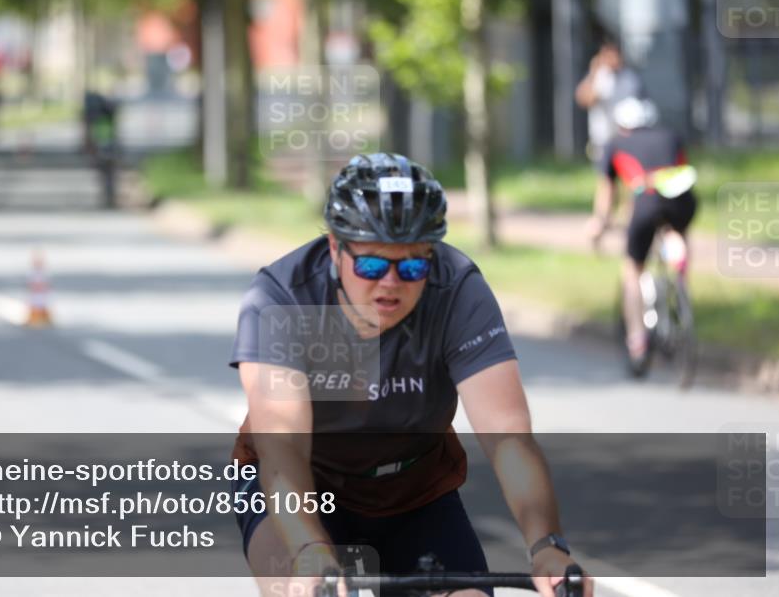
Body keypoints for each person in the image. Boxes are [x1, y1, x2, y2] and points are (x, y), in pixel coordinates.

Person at [230, 153, 592, 597]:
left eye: (413, 266)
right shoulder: (284, 298)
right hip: (305, 488)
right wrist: (310, 549)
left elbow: (509, 435)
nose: (390, 283)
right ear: (334, 248)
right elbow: (282, 448)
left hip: (414, 490)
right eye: (371, 265)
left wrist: (546, 545)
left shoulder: (456, 290)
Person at [586, 97, 697, 368]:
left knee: (632, 270)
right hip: (683, 200)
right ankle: (678, 267)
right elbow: (680, 168)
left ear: (622, 125)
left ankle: (637, 340)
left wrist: (600, 223)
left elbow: (607, 191)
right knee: (675, 227)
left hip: (646, 201)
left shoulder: (615, 143)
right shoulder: (672, 136)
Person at [575, 40, 644, 161]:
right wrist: (593, 73)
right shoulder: (600, 76)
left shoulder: (630, 78)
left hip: (625, 136)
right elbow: (584, 100)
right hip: (603, 136)